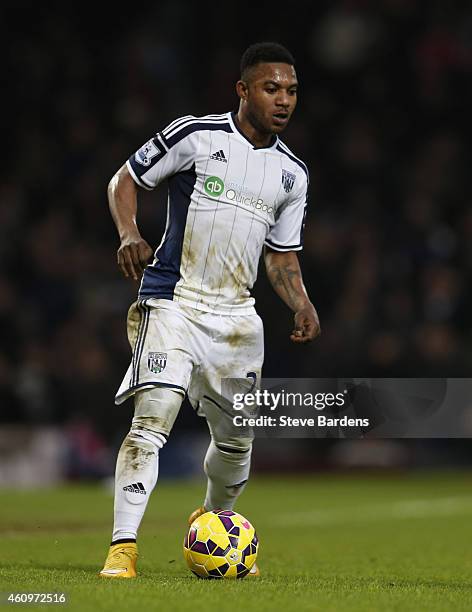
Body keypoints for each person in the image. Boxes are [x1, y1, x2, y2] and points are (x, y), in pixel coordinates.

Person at [99, 41, 320, 579]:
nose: (283, 100)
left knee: (237, 440)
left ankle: (214, 521)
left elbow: (282, 255)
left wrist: (301, 300)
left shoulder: (293, 174)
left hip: (237, 318)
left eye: (291, 90)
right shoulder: (196, 136)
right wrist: (129, 232)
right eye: (271, 88)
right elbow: (125, 179)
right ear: (243, 90)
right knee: (153, 420)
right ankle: (123, 547)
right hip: (174, 301)